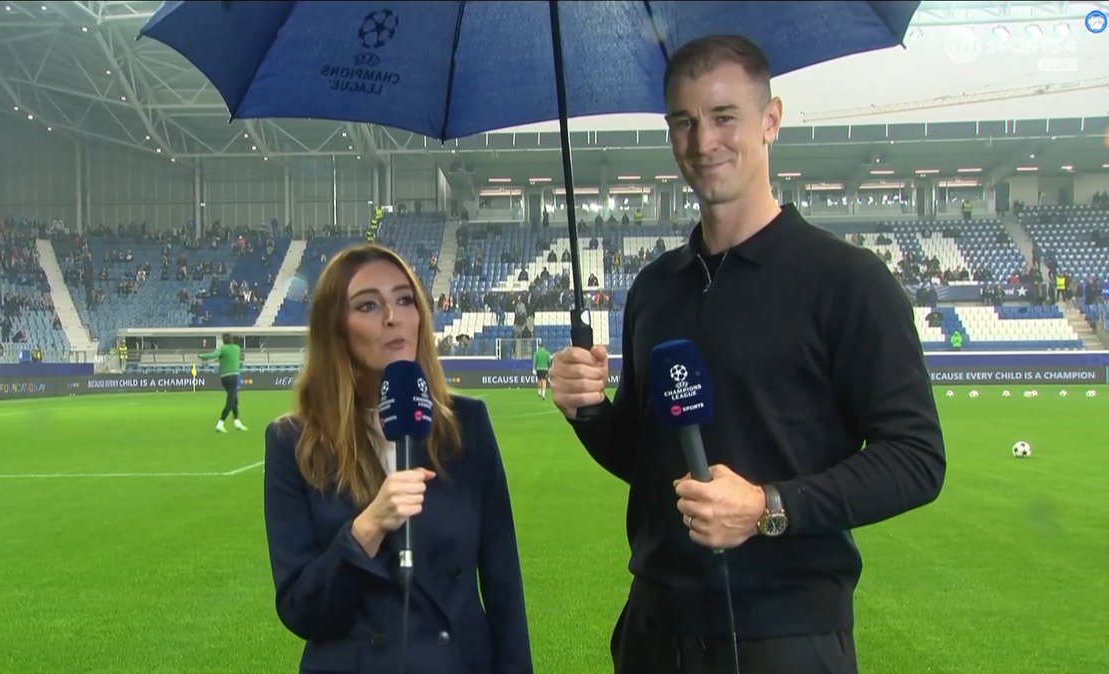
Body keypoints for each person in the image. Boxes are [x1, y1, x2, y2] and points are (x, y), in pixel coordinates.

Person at [548, 35, 946, 674]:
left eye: (724, 116)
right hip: (655, 631)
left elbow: (917, 459)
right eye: (684, 121)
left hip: (788, 635)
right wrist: (588, 411)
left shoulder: (847, 280)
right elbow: (650, 461)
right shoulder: (655, 288)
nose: (703, 141)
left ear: (771, 120)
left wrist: (769, 507)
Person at [263, 244, 533, 674]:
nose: (393, 317)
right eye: (368, 305)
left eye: (405, 299)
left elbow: (504, 585)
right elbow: (301, 609)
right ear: (336, 328)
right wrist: (367, 529)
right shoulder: (292, 442)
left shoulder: (467, 424)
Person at [198, 333, 246, 433]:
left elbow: (214, 355)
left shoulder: (223, 349)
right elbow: (236, 360)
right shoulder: (236, 348)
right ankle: (220, 424)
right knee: (231, 401)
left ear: (223, 340)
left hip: (224, 377)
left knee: (234, 399)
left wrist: (202, 355)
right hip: (234, 376)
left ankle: (237, 422)